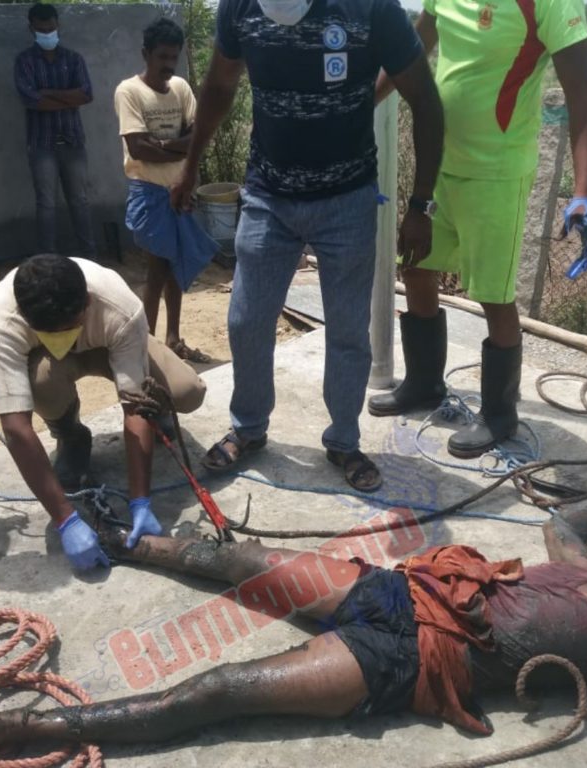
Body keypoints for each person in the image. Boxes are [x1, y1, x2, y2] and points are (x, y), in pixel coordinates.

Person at [0, 479, 587, 763]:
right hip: (400, 594)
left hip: (413, 660)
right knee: (241, 562)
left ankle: (19, 729)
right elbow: (567, 523)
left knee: (224, 689)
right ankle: (124, 539)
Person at [171, 0, 445, 494]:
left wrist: (420, 205)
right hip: (268, 198)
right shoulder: (241, 7)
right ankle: (249, 427)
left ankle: (343, 440)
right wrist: (191, 164)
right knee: (246, 320)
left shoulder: (370, 9)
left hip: (348, 201)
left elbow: (425, 100)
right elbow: (219, 86)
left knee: (348, 331)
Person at [367, 0, 587, 460]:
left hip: (497, 172)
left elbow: (583, 97)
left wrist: (583, 193)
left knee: (493, 294)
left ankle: (498, 413)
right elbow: (411, 49)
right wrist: (360, 104)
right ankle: (424, 383)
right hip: (439, 161)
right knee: (416, 266)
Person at [0, 254, 207, 572]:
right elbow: (16, 428)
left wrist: (140, 500)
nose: (61, 336)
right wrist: (65, 520)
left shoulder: (120, 307)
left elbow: (134, 405)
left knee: (186, 391)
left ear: (86, 302)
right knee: (40, 385)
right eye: (49, 332)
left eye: (68, 328)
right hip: (51, 362)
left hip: (112, 338)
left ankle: (160, 417)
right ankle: (70, 435)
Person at [115, 17, 217, 363]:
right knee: (157, 267)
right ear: (146, 54)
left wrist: (162, 144)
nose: (169, 64)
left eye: (174, 57)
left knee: (176, 265)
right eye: (162, 57)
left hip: (179, 190)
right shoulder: (129, 92)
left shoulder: (181, 88)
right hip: (149, 192)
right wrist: (181, 147)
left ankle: (172, 339)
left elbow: (198, 137)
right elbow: (138, 148)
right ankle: (147, 346)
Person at [14, 3, 96, 258]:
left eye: (51, 28)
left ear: (58, 25)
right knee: (46, 204)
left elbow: (86, 95)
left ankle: (89, 257)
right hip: (42, 145)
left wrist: (48, 93)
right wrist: (67, 97)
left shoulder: (73, 59)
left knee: (80, 201)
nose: (47, 34)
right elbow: (31, 101)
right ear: (31, 29)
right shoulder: (25, 61)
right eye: (42, 30)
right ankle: (48, 259)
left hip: (73, 141)